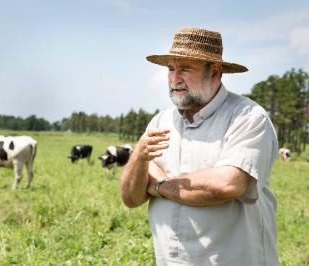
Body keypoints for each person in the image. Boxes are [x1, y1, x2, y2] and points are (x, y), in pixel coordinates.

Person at [119, 27, 278, 266]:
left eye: (185, 69)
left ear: (214, 71)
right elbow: (131, 199)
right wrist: (139, 158)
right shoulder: (161, 122)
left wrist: (159, 185)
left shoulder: (247, 117)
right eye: (171, 69)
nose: (174, 79)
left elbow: (227, 184)